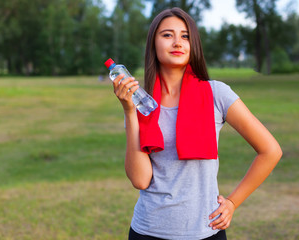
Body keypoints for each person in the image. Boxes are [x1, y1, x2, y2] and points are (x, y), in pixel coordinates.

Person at [112, 7, 282, 240]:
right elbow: (140, 179)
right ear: (153, 43)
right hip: (148, 230)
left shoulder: (217, 93)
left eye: (185, 36)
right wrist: (129, 111)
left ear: (194, 45)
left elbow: (270, 151)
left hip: (205, 231)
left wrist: (232, 202)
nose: (177, 42)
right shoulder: (142, 102)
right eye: (167, 35)